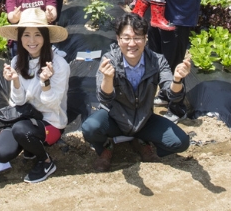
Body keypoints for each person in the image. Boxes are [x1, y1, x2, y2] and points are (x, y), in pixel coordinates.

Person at [81, 13, 192, 171]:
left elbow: (172, 94)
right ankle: (107, 145)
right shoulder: (109, 60)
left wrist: (177, 80)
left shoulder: (157, 60)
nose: (132, 43)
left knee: (180, 142)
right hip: (115, 118)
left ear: (146, 39)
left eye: (138, 37)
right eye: (126, 38)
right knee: (90, 128)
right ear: (118, 39)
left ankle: (140, 140)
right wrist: (108, 77)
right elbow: (104, 98)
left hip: (144, 119)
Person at [0, 8, 69, 183]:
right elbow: (17, 102)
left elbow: (52, 105)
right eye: (26, 35)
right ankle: (29, 147)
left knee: (21, 130)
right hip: (26, 117)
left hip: (51, 122)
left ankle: (46, 161)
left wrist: (45, 82)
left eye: (38, 35)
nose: (32, 41)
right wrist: (15, 81)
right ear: (20, 38)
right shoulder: (17, 62)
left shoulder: (59, 65)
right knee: (2, 153)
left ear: (46, 37)